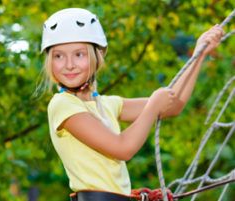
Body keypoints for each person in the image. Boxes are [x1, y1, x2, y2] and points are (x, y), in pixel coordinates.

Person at [41, 8, 224, 201]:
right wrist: (153, 105)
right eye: (58, 56)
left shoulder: (106, 104)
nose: (69, 64)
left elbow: (173, 105)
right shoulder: (63, 105)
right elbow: (123, 148)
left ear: (98, 56)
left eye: (79, 54)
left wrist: (199, 54)